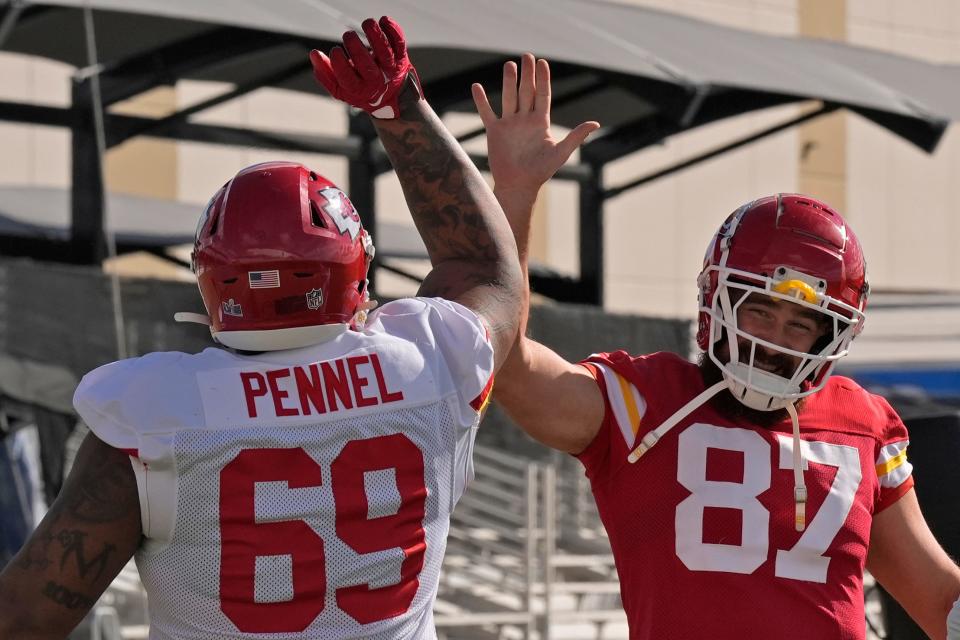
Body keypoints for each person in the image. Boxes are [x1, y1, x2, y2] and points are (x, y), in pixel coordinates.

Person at [0, 17, 522, 639]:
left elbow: (26, 616)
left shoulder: (154, 415)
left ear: (213, 279)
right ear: (352, 264)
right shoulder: (428, 364)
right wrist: (397, 105)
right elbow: (485, 269)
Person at [473, 53, 960, 639]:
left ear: (832, 335)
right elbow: (512, 363)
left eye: (800, 324)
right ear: (717, 306)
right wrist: (516, 196)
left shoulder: (862, 423)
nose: (776, 339)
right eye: (758, 311)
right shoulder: (644, 403)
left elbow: (938, 599)